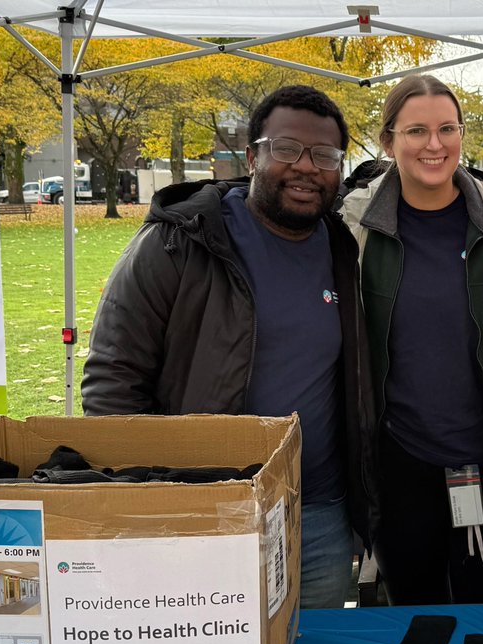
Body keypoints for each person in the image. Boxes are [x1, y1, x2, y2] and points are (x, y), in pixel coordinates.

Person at [82, 85, 372, 610]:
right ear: (252, 156)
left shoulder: (340, 249)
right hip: (205, 506)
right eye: (287, 149)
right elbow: (112, 384)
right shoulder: (180, 241)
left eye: (325, 156)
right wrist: (149, 498)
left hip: (319, 515)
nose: (307, 167)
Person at [338, 74, 483, 606]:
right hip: (399, 462)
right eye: (416, 131)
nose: (434, 145)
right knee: (414, 611)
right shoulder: (354, 223)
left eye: (447, 129)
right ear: (388, 140)